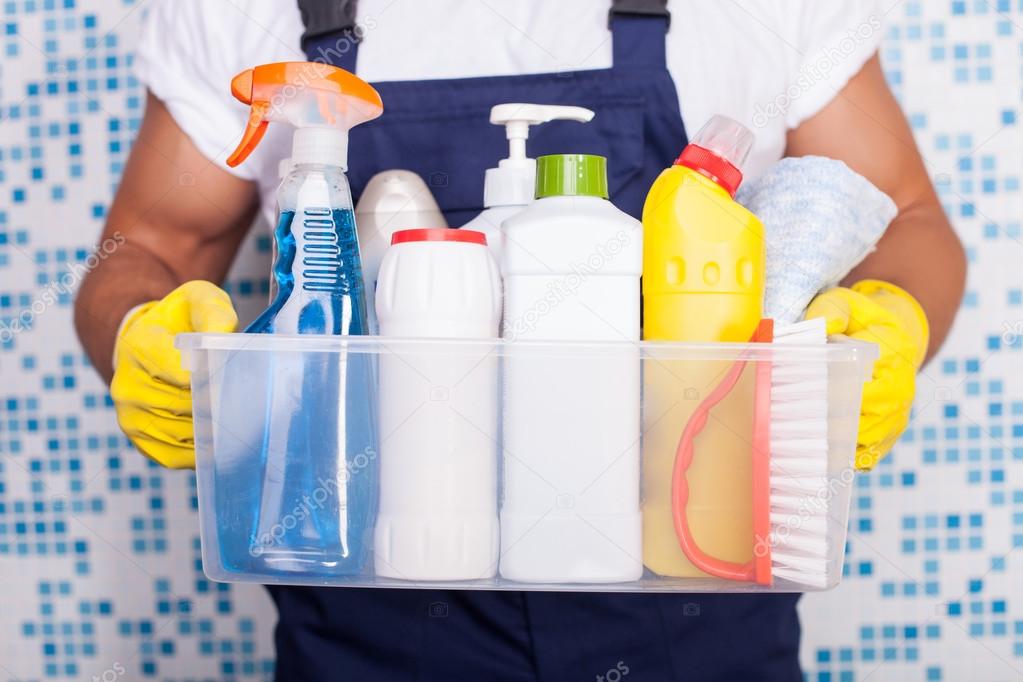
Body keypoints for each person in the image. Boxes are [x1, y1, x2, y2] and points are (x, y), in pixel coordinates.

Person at [75, 1, 966, 680]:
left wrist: (887, 324)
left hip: (696, 587)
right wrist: (140, 342)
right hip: (363, 610)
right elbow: (151, 245)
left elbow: (907, 216)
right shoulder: (241, 9)